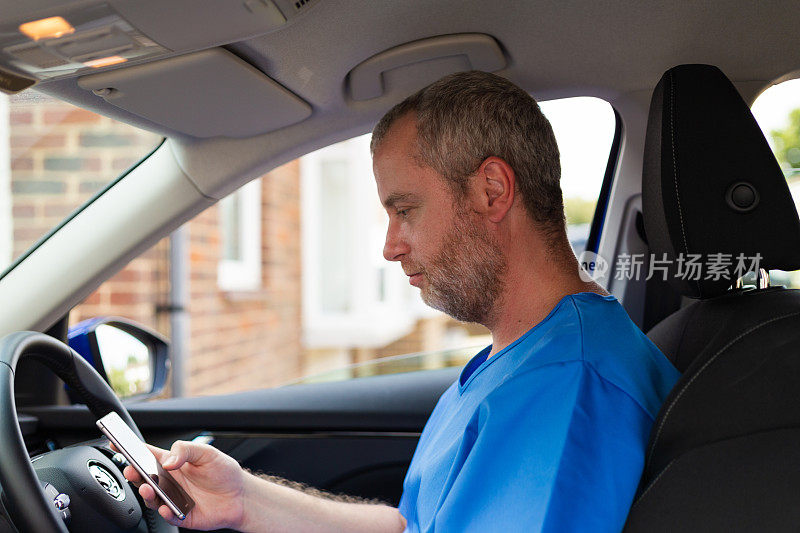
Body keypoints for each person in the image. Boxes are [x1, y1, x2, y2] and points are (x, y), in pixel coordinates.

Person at [120, 71, 680, 532]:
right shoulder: (519, 356)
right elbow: (410, 527)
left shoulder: (568, 387)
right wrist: (244, 498)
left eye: (405, 210)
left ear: (492, 191)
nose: (390, 247)